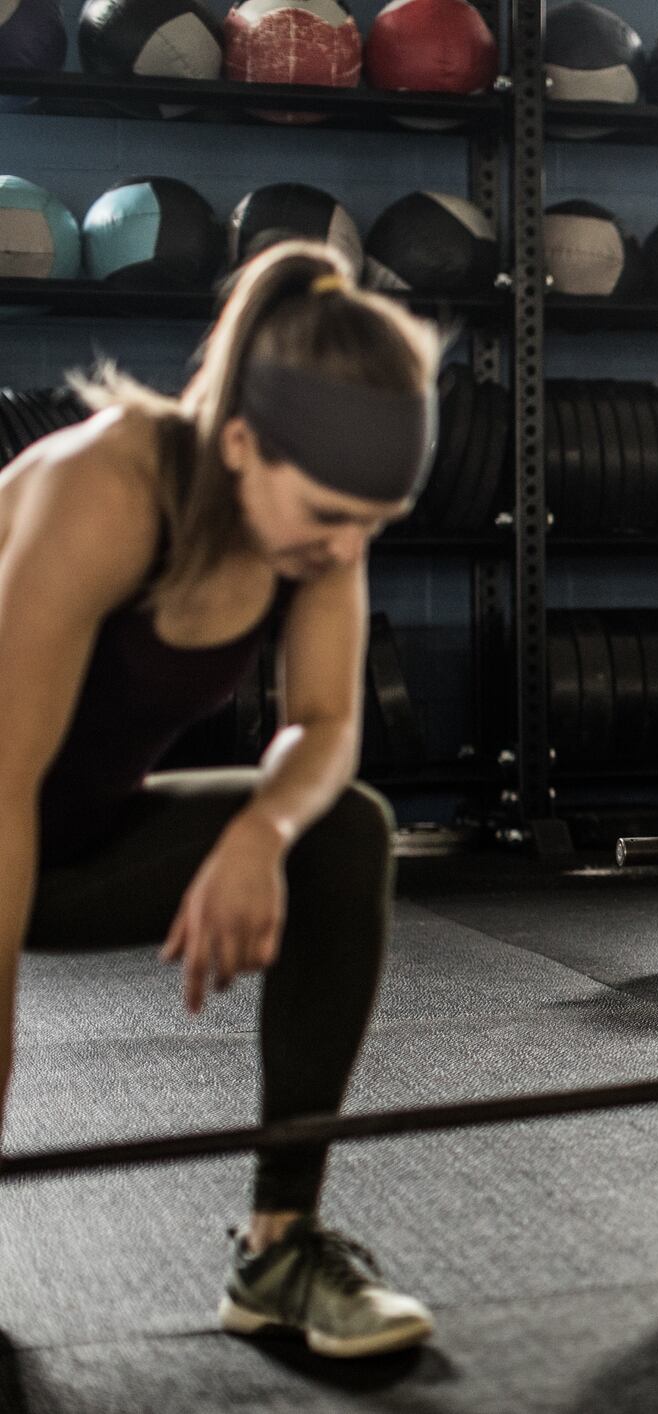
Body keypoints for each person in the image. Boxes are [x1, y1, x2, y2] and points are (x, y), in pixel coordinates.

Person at [0, 242, 440, 1358]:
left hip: (78, 838)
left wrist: (261, 828)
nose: (348, 551)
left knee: (343, 831)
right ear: (242, 443)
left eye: (370, 528)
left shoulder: (311, 517)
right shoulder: (99, 491)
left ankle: (279, 1250)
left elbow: (327, 723)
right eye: (334, 516)